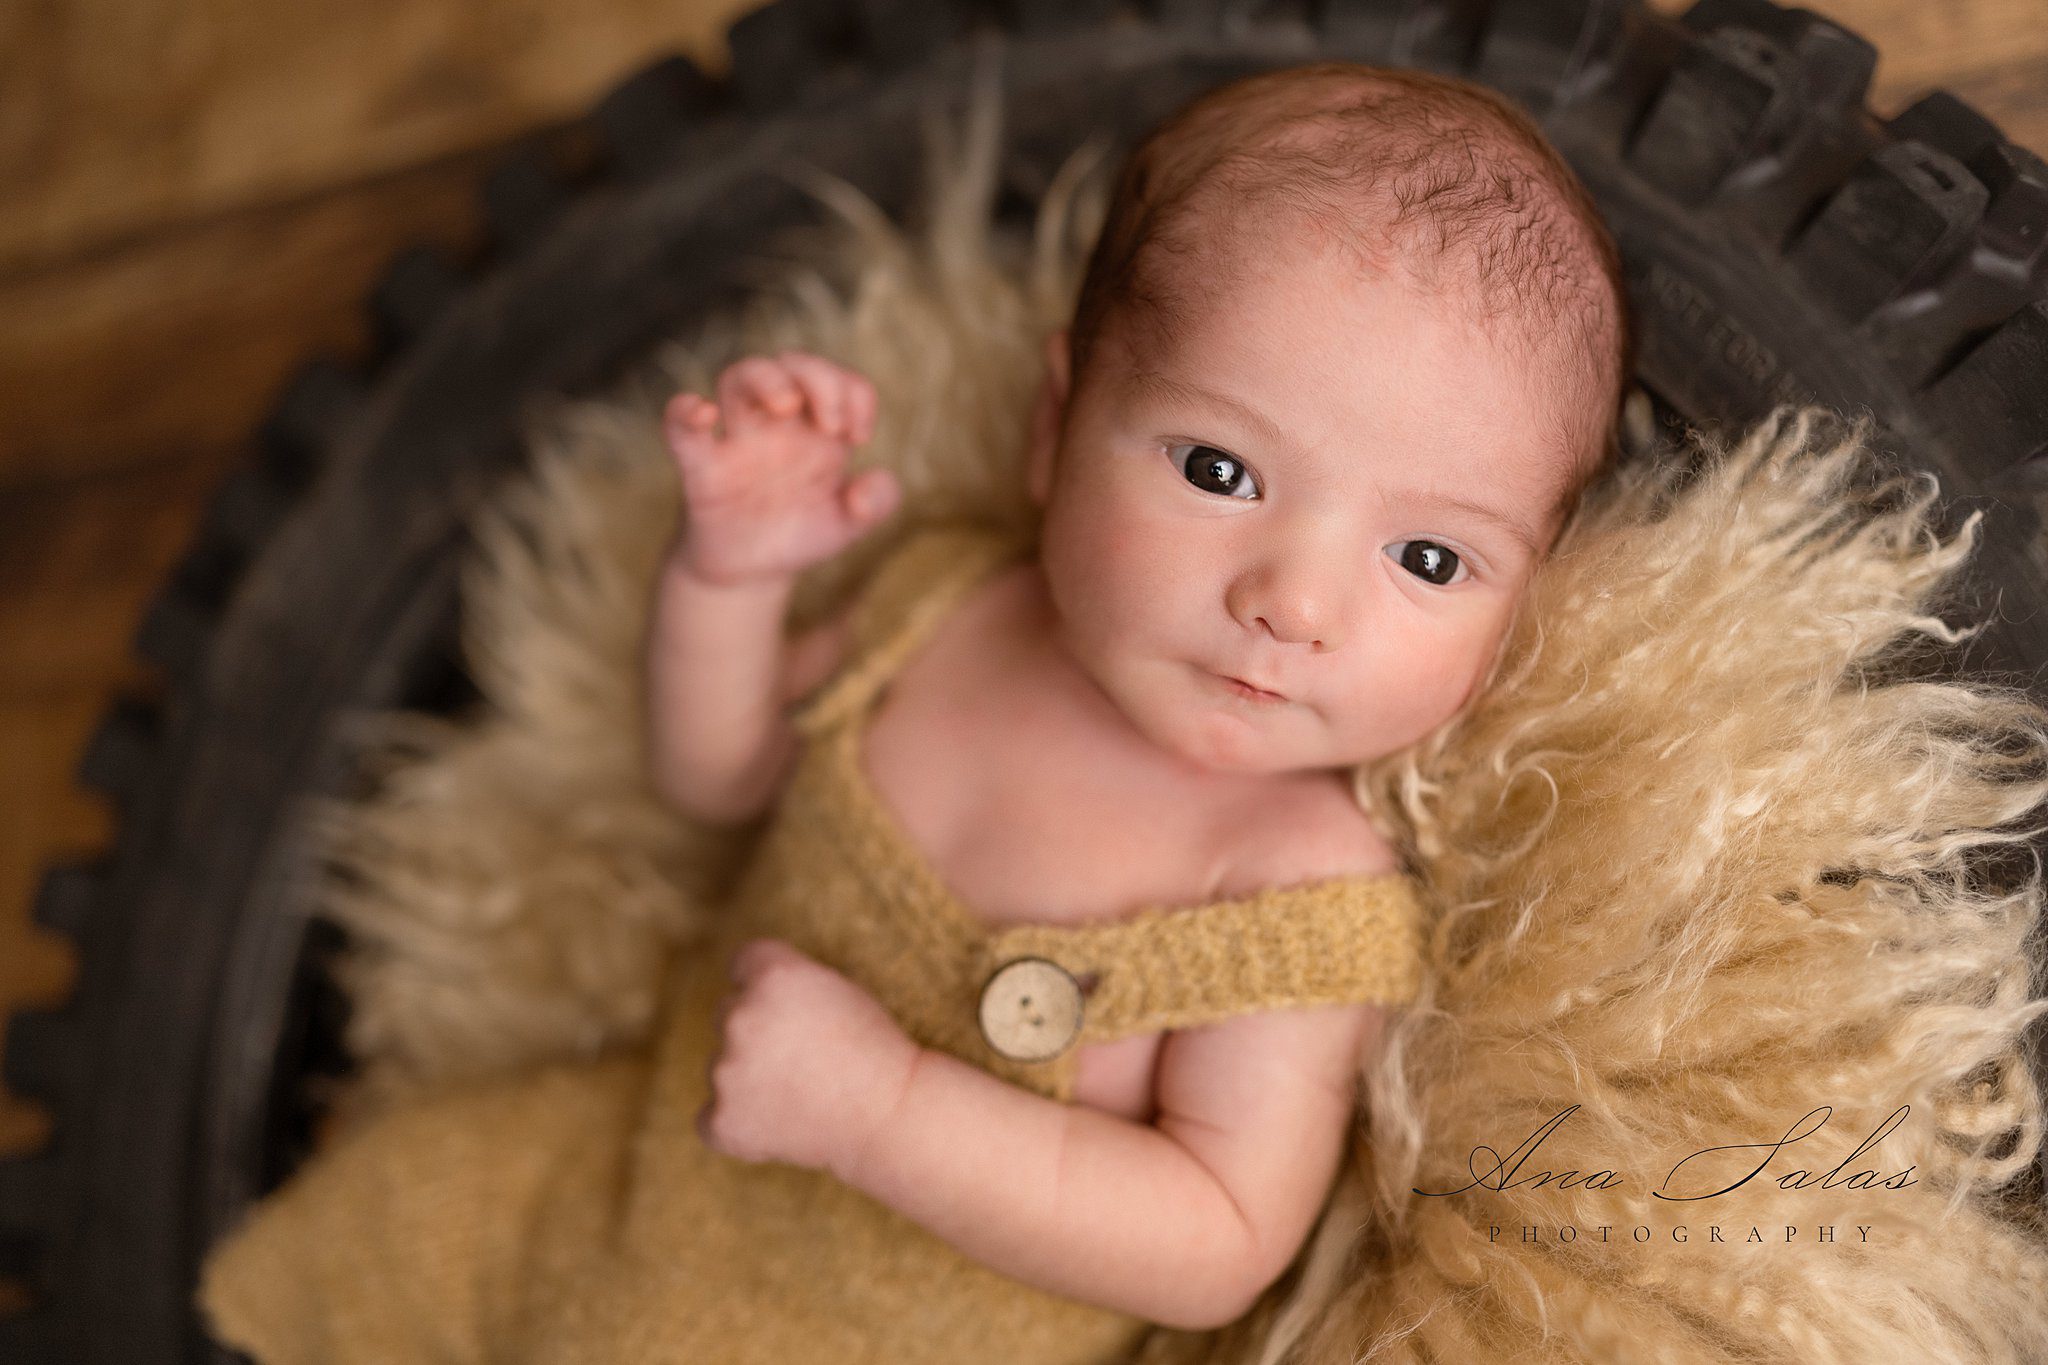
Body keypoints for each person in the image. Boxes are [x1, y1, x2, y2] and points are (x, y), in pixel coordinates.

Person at [196, 60, 1630, 1365]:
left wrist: (880, 1108)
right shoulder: (946, 614)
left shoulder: (1297, 891)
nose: (1292, 600)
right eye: (1218, 469)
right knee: (385, 1219)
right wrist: (728, 580)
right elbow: (719, 772)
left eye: (1428, 558)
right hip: (630, 1166)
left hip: (872, 1335)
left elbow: (1214, 1235)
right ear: (1051, 429)